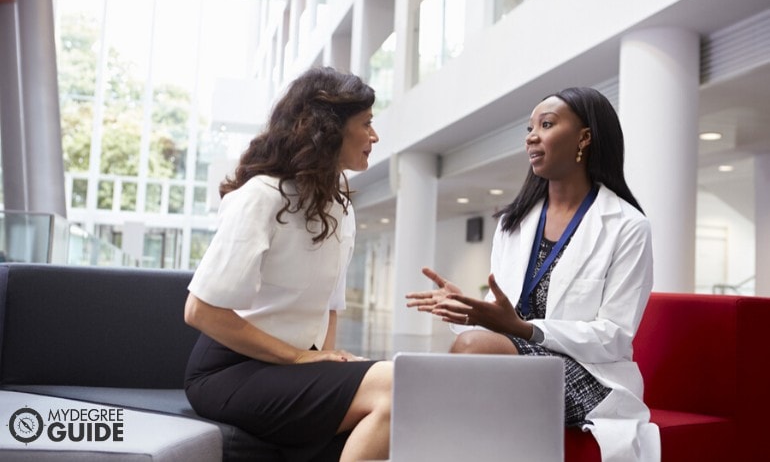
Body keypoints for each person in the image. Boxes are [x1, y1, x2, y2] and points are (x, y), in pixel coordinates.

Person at [406, 87, 660, 462]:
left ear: (584, 138)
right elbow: (505, 310)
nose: (531, 136)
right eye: (529, 128)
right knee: (466, 355)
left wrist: (526, 330)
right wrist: (470, 310)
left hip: (588, 372)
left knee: (471, 354)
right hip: (514, 354)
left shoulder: (627, 226)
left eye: (546, 124)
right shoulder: (514, 222)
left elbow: (614, 337)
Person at [184, 66, 391, 462]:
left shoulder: (341, 208)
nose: (374, 136)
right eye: (366, 123)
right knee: (395, 385)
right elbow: (200, 311)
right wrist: (299, 358)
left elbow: (330, 304)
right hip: (229, 371)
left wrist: (328, 365)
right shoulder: (261, 196)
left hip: (289, 369)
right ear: (329, 129)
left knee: (398, 389)